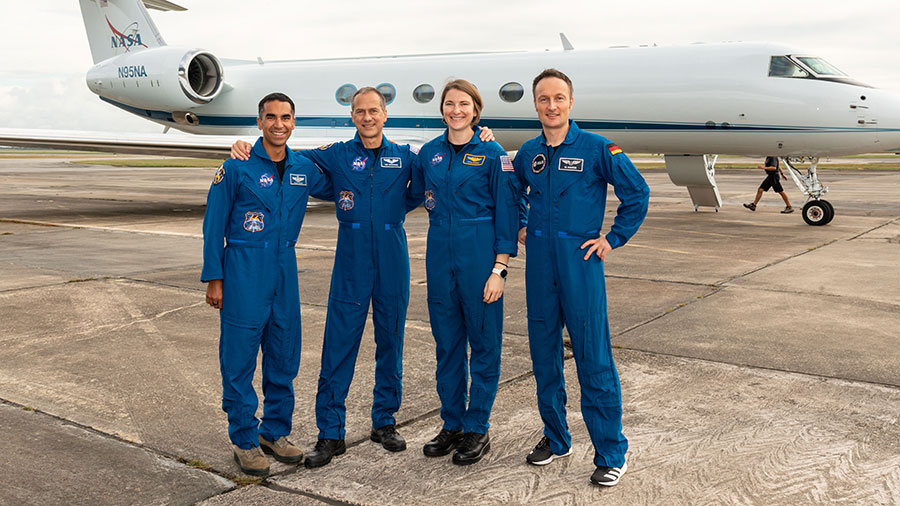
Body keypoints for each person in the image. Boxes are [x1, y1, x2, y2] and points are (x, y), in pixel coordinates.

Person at [230, 88, 496, 468]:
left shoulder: (407, 157)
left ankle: (384, 421)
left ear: (385, 115)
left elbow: (424, 187)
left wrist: (483, 133)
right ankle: (331, 432)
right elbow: (283, 157)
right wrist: (245, 147)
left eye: (374, 111)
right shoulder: (337, 155)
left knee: (391, 342)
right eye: (360, 112)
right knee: (338, 346)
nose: (367, 117)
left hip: (392, 255)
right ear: (352, 117)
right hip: (351, 260)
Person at [513, 69, 649, 487]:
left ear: (571, 102)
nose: (551, 106)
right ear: (535, 105)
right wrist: (522, 222)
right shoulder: (527, 152)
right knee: (543, 353)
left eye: (558, 98)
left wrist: (612, 239)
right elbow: (514, 190)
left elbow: (637, 193)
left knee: (593, 356)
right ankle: (556, 438)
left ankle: (611, 451)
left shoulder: (597, 148)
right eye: (543, 99)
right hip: (539, 262)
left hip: (580, 261)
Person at [202, 92, 332, 476]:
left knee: (283, 353)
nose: (279, 124)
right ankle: (244, 438)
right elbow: (213, 226)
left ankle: (274, 432)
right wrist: (214, 278)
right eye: (271, 117)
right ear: (259, 122)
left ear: (294, 122)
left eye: (286, 117)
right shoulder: (236, 167)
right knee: (239, 358)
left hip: (284, 269)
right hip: (243, 267)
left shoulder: (303, 168)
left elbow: (346, 173)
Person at [408, 79, 520, 466]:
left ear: (476, 110)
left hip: (480, 256)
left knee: (485, 346)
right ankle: (452, 423)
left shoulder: (492, 153)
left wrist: (499, 269)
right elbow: (416, 194)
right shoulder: (429, 153)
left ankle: (477, 427)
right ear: (443, 109)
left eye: (464, 104)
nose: (456, 110)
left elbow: (507, 212)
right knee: (448, 346)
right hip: (439, 255)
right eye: (450, 104)